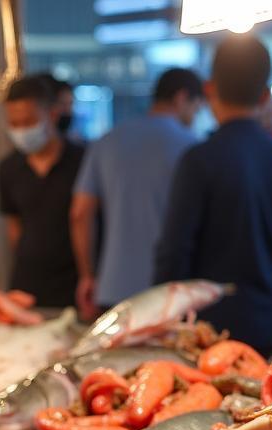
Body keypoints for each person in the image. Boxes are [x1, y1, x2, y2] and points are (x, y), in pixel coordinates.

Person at [154, 36, 272, 354]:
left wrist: (162, 317)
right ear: (265, 95)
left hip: (209, 331)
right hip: (271, 322)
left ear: (209, 90)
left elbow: (175, 251)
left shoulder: (199, 159)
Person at [71, 67, 202, 318]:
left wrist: (87, 276)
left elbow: (79, 213)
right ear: (182, 97)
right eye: (196, 108)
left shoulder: (107, 140)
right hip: (170, 292)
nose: (195, 117)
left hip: (112, 286)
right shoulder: (192, 147)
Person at [0, 75, 84, 308]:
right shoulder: (8, 169)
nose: (21, 131)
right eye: (14, 124)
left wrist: (90, 277)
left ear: (53, 114)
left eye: (28, 122)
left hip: (75, 285)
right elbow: (14, 226)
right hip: (27, 284)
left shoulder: (83, 161)